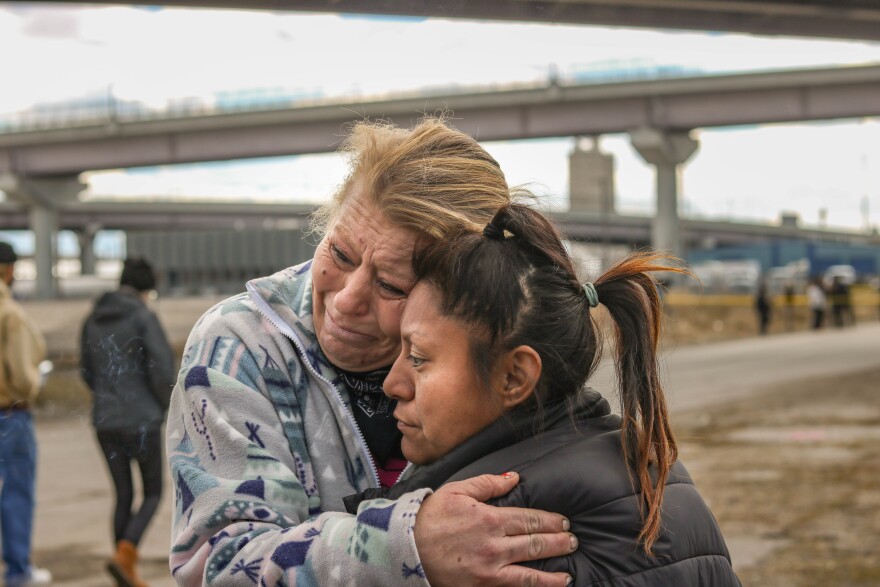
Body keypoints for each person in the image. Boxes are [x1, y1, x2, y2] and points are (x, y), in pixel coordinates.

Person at [166, 118, 576, 586]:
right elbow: (218, 568)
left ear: (463, 295)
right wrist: (406, 547)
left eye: (390, 285)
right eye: (339, 254)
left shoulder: (493, 366)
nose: (346, 300)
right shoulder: (238, 347)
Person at [356, 204, 740, 585]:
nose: (393, 383)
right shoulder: (651, 471)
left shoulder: (481, 538)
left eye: (419, 358)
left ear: (514, 377)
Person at [81, 258, 175, 587]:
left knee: (123, 494)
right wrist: (169, 406)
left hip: (104, 422)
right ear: (145, 289)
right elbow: (161, 369)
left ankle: (123, 567)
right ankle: (125, 557)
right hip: (142, 420)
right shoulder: (142, 317)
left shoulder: (92, 318)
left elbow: (86, 370)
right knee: (152, 493)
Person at [0, 241, 52, 587]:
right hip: (9, 415)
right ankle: (18, 571)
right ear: (7, 269)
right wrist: (36, 383)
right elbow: (20, 376)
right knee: (17, 492)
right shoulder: (10, 313)